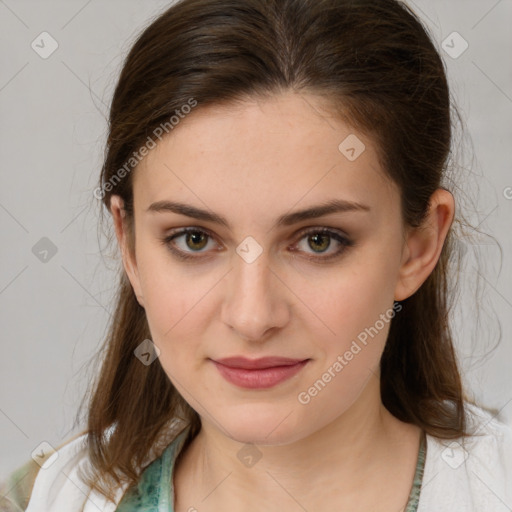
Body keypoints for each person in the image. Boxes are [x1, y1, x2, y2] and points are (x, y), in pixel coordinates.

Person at [1, 0, 511, 510]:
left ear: (417, 248)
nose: (252, 317)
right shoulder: (41, 499)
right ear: (129, 245)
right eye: (194, 239)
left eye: (319, 240)